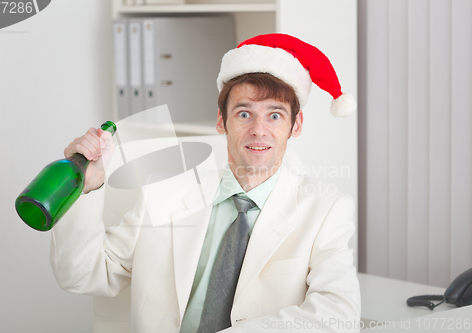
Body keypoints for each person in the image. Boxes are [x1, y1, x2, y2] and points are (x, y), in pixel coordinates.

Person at [51, 33, 361, 332]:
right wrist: (85, 187)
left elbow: (339, 315)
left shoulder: (325, 211)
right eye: (244, 114)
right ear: (220, 121)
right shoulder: (163, 196)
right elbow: (81, 275)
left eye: (275, 116)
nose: (259, 130)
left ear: (297, 125)